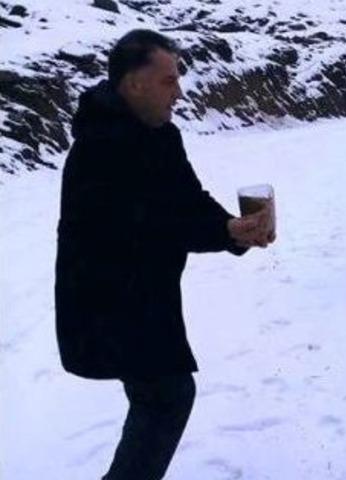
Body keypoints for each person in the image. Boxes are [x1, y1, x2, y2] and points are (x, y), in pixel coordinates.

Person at [54, 29, 274, 479]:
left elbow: (187, 199)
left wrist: (235, 231)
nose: (179, 92)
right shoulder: (100, 146)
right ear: (134, 84)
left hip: (143, 298)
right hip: (105, 303)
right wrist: (226, 231)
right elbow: (148, 224)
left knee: (163, 398)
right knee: (166, 396)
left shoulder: (160, 135)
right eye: (169, 81)